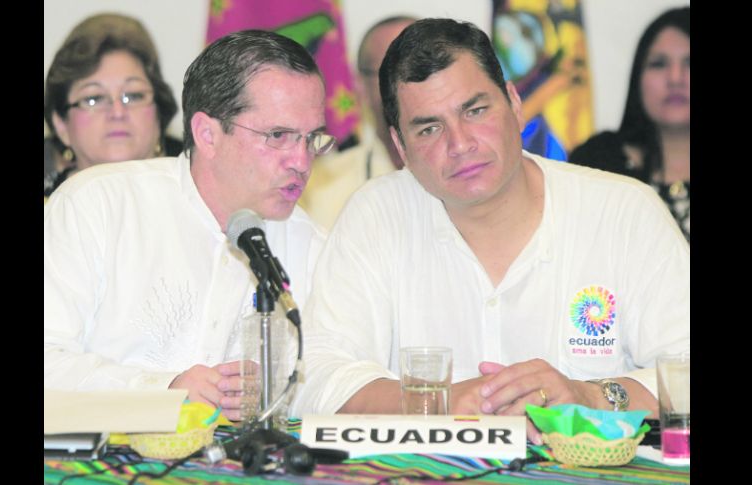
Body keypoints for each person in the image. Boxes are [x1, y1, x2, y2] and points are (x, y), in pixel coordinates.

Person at [290, 19, 689, 444]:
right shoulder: (375, 215)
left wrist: (590, 396)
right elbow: (313, 374)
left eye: (475, 111)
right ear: (400, 147)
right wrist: (432, 402)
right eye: (429, 128)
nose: (460, 144)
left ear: (515, 105)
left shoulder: (624, 211)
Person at [44, 30, 335, 421]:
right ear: (207, 134)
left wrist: (272, 396)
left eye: (312, 138)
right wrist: (163, 392)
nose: (301, 161)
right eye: (279, 136)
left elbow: (324, 383)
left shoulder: (311, 246)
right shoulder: (98, 205)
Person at [570, 7, 689, 241]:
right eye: (658, 64)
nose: (675, 78)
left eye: (689, 62)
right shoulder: (597, 166)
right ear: (638, 77)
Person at [44, 13, 182, 198]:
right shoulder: (51, 212)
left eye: (133, 96)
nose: (117, 112)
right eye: (94, 98)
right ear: (61, 124)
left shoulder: (201, 200)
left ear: (159, 112)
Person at [298, 16, 416, 230]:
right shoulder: (322, 188)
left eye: (425, 69)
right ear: (360, 85)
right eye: (392, 72)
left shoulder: (473, 166)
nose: (412, 84)